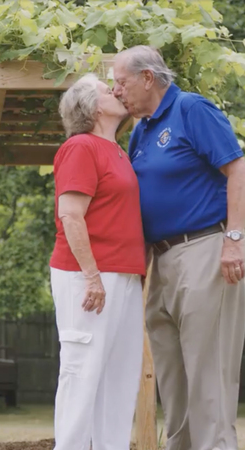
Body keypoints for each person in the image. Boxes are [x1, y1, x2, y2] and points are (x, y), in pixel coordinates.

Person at [113, 45, 245, 450]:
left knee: (208, 375)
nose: (117, 92)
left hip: (205, 250)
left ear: (148, 78)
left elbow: (238, 167)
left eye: (121, 82)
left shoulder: (192, 109)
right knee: (172, 376)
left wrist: (235, 239)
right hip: (161, 260)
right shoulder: (142, 128)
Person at [49, 73, 146, 450]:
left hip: (123, 275)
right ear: (91, 106)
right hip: (87, 277)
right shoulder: (81, 147)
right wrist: (92, 277)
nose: (117, 91)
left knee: (120, 378)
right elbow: (71, 215)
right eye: (109, 90)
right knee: (82, 373)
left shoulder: (118, 150)